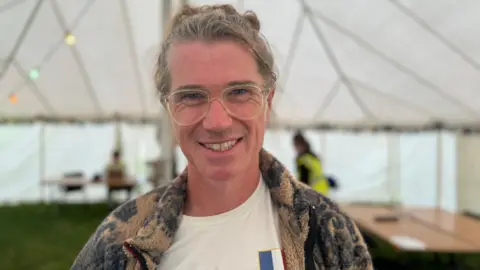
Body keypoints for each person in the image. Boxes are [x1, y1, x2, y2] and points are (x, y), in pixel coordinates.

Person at [72, 4, 372, 270]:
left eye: (240, 92)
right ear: (168, 107)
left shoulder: (330, 233)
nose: (217, 122)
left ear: (268, 101)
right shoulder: (119, 241)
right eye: (191, 96)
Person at [293, 131, 330, 196]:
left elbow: (304, 181)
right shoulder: (314, 157)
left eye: (295, 145)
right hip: (324, 192)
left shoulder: (302, 160)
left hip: (313, 194)